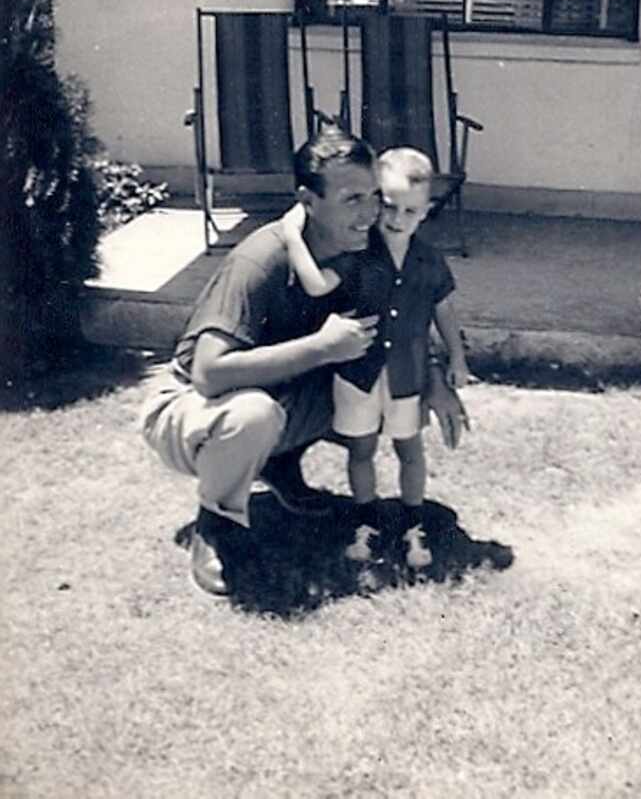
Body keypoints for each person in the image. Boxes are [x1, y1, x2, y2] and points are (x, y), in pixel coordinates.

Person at [140, 126, 468, 596]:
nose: (371, 212)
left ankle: (279, 464)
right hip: (191, 407)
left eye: (375, 196)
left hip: (278, 387)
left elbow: (397, 324)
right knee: (255, 414)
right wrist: (322, 348)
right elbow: (208, 374)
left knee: (364, 388)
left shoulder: (362, 252)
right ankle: (215, 522)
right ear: (307, 201)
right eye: (352, 199)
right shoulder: (264, 257)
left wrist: (434, 377)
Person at [280, 147, 470, 569]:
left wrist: (457, 357)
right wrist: (291, 235)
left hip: (408, 374)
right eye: (388, 205)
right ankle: (365, 519)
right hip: (358, 371)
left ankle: (412, 521)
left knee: (410, 448)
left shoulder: (428, 260)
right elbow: (315, 285)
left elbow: (444, 309)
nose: (398, 218)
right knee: (360, 449)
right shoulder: (359, 253)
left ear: (425, 212)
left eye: (410, 210)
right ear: (375, 199)